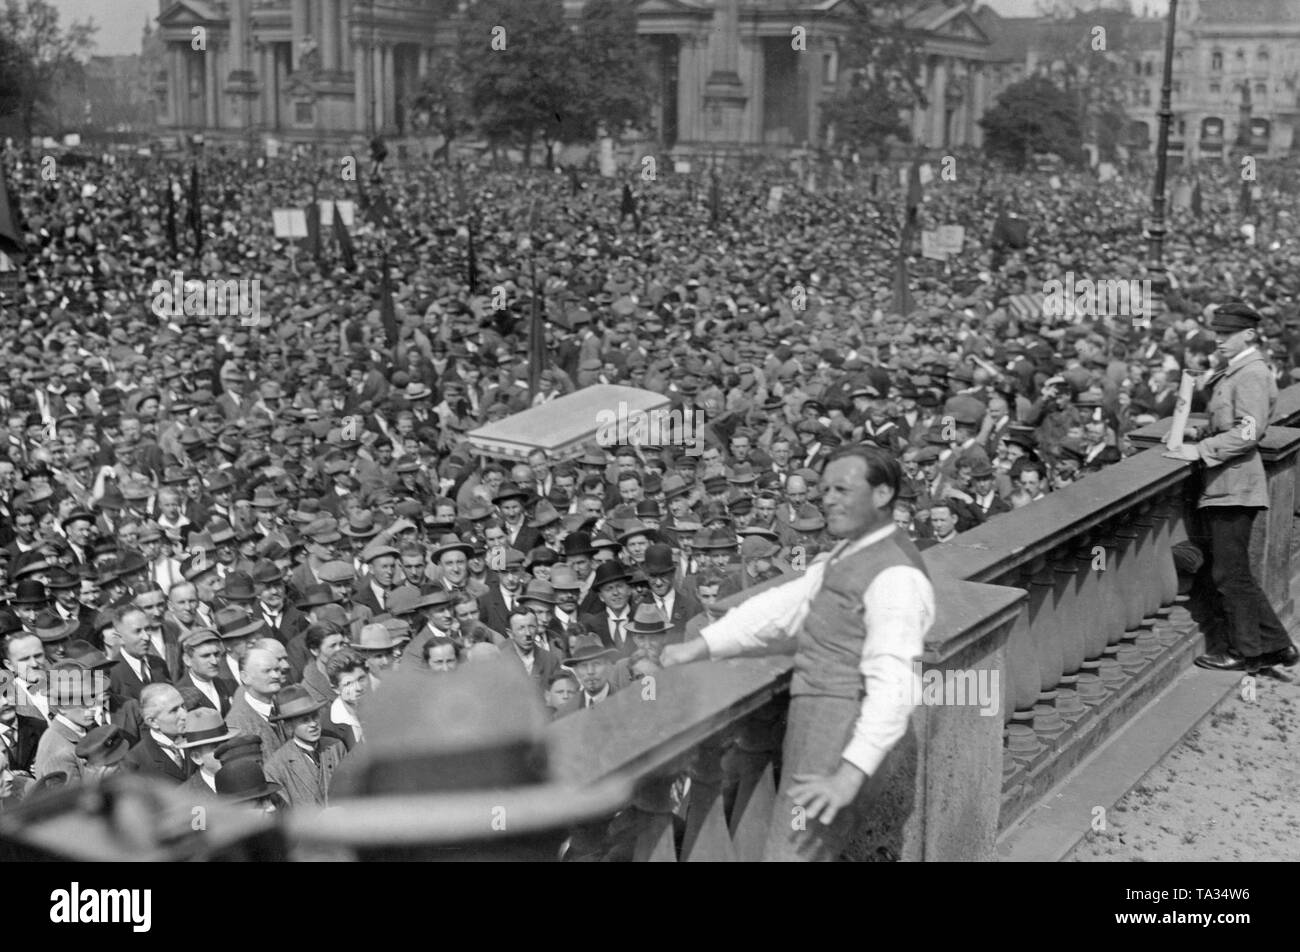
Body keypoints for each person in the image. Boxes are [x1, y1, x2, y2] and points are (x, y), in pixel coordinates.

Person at [662, 445, 935, 861]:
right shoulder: (853, 551)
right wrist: (704, 644)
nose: (827, 499)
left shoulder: (895, 575)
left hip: (839, 740)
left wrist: (849, 774)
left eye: (842, 489)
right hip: (820, 731)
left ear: (882, 496)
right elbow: (788, 605)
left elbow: (897, 684)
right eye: (825, 489)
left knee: (790, 854)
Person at [1164, 303, 1299, 672]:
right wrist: (1197, 431)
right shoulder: (1237, 371)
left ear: (1249, 335)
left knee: (1229, 573)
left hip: (1234, 483)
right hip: (1230, 482)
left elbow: (1249, 431)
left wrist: (1201, 449)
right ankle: (1276, 646)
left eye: (1226, 333)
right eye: (1217, 332)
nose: (1218, 339)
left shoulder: (1251, 372)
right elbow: (1231, 423)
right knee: (1234, 570)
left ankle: (1245, 652)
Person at [263, 684, 347, 809]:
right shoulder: (276, 767)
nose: (313, 724)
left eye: (315, 716)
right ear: (289, 726)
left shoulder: (336, 747)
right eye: (305, 720)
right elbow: (285, 816)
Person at [176, 707, 242, 801]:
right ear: (197, 758)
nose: (226, 751)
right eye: (216, 747)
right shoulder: (184, 798)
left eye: (227, 744)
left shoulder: (248, 779)